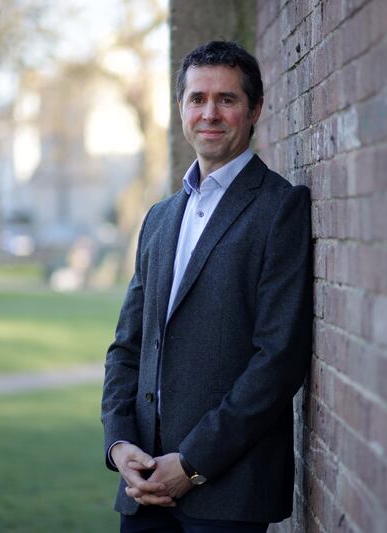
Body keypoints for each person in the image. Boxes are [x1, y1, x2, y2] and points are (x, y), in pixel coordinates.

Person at [101, 40, 312, 532]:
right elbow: (127, 347)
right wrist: (119, 444)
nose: (209, 113)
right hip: (143, 491)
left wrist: (192, 464)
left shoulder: (279, 209)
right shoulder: (159, 218)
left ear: (255, 108)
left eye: (227, 99)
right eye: (197, 99)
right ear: (181, 109)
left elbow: (278, 361)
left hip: (226, 500)